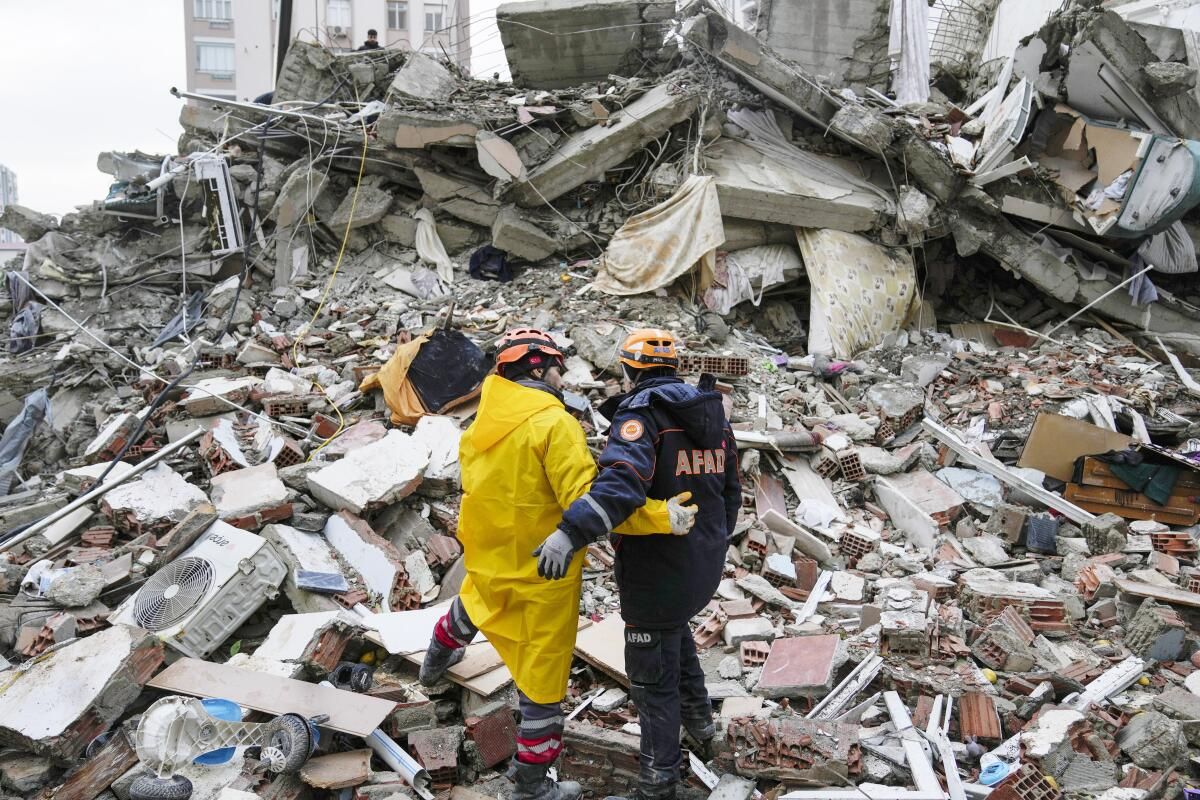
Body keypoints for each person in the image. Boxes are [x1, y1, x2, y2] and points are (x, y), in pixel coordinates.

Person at [419, 328, 698, 800]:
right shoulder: (555, 426)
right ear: (535, 367)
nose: (562, 375)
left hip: (488, 563)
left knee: (466, 613)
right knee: (542, 691)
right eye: (557, 367)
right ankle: (530, 788)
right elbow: (590, 505)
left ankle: (432, 673)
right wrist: (661, 517)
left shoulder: (481, 422)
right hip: (541, 577)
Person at [536, 328, 741, 800]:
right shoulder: (711, 411)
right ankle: (702, 729)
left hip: (657, 571)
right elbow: (731, 491)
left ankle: (658, 781)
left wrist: (572, 532)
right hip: (701, 564)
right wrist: (712, 543)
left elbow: (623, 487)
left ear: (630, 369)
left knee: (651, 680)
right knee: (675, 633)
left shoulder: (640, 414)